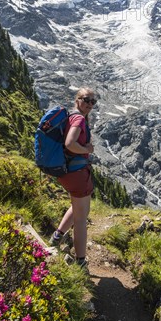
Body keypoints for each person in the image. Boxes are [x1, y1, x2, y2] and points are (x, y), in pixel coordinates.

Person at [49, 87, 97, 270]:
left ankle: (57, 237)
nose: (89, 104)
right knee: (81, 219)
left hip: (67, 172)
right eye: (86, 100)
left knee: (76, 206)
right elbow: (70, 143)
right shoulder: (78, 119)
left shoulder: (71, 117)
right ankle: (81, 261)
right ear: (77, 100)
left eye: (93, 101)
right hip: (77, 173)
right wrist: (87, 150)